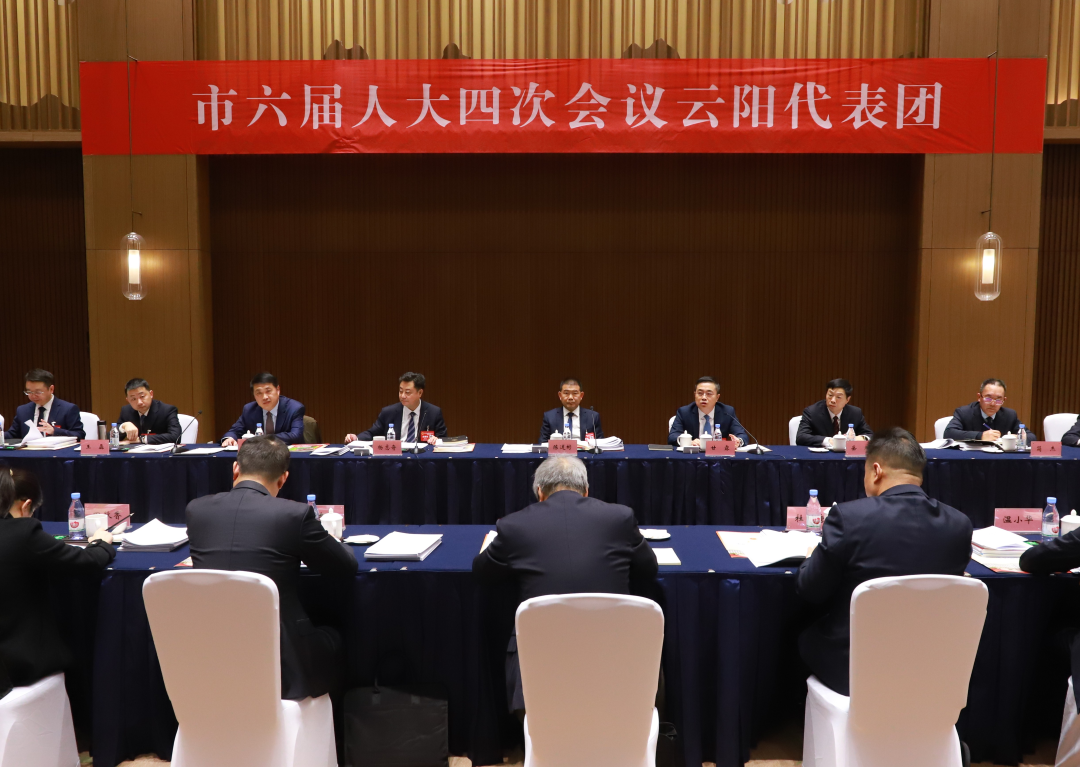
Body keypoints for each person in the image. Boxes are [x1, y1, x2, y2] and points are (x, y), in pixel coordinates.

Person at [473, 456, 658, 714]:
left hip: (538, 673)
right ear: (586, 490)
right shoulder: (620, 517)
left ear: (540, 492)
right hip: (614, 664)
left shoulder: (513, 526)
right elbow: (649, 568)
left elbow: (482, 572)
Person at [795, 427, 972, 695]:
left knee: (802, 634)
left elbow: (811, 589)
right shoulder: (959, 524)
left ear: (876, 471)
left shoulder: (849, 518)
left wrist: (812, 555)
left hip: (853, 668)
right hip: (930, 667)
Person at [186, 436, 357, 700]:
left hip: (209, 654)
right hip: (282, 664)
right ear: (283, 478)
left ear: (235, 469)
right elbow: (344, 566)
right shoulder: (294, 515)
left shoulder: (196, 510)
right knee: (335, 634)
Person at [0, 466, 115, 691]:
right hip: (18, 665)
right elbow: (87, 561)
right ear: (26, 505)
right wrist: (101, 543)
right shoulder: (24, 533)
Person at [345, 372, 447, 444]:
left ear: (420, 393)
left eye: (407, 392)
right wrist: (356, 438)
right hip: (396, 460)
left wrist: (437, 440)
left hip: (422, 459)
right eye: (400, 391)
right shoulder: (388, 412)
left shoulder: (433, 412)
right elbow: (372, 433)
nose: (402, 396)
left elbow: (443, 438)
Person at [222, 372, 305, 446]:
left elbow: (295, 435)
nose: (264, 397)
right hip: (258, 456)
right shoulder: (249, 409)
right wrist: (229, 438)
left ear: (278, 390)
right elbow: (235, 430)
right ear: (254, 395)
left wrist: (262, 438)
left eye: (268, 391)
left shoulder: (294, 408)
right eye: (259, 393)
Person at [3, 369, 85, 441]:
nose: (33, 396)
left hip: (57, 452)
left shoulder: (68, 409)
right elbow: (13, 434)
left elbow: (79, 435)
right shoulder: (22, 410)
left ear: (51, 389)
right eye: (29, 392)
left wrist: (54, 431)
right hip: (28, 452)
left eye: (38, 392)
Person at [667, 377, 748, 447]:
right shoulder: (684, 412)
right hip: (692, 456)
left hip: (719, 456)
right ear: (695, 395)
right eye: (700, 393)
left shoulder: (727, 412)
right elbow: (672, 437)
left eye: (709, 394)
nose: (704, 397)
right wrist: (689, 442)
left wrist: (738, 441)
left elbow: (742, 435)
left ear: (717, 397)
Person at [796, 378, 873, 447]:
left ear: (847, 399)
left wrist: (859, 438)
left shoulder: (855, 413)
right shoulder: (812, 412)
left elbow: (870, 435)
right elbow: (801, 437)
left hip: (846, 455)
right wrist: (828, 441)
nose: (833, 400)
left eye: (838, 397)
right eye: (830, 395)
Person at [943, 378, 1023, 441]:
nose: (992, 404)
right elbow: (949, 433)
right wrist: (980, 436)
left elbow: (1029, 436)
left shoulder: (1010, 415)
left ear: (1004, 400)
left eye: (998, 400)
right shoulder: (964, 412)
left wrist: (1017, 437)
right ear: (979, 397)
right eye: (988, 398)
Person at [117, 378, 182, 444]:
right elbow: (111, 438)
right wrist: (123, 426)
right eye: (133, 399)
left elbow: (175, 437)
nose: (139, 402)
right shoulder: (126, 411)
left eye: (142, 396)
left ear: (151, 394)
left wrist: (142, 439)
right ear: (128, 400)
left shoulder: (167, 410)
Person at [539, 377, 604, 443]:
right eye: (566, 393)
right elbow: (543, 443)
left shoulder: (593, 417)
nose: (570, 397)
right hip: (560, 449)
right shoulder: (550, 417)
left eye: (575, 393)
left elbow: (600, 443)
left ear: (581, 395)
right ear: (560, 395)